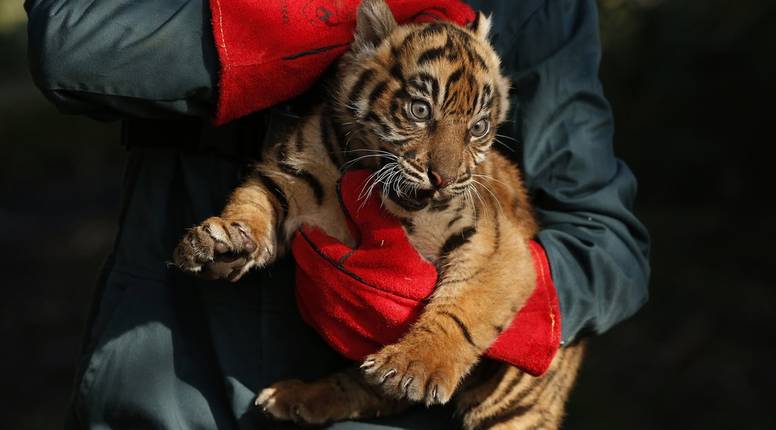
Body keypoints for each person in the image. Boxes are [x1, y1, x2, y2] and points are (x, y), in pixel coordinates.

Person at [26, 0, 650, 429]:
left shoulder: (536, 11)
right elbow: (72, 40)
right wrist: (313, 16)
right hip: (172, 385)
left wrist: (474, 320)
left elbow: (609, 243)